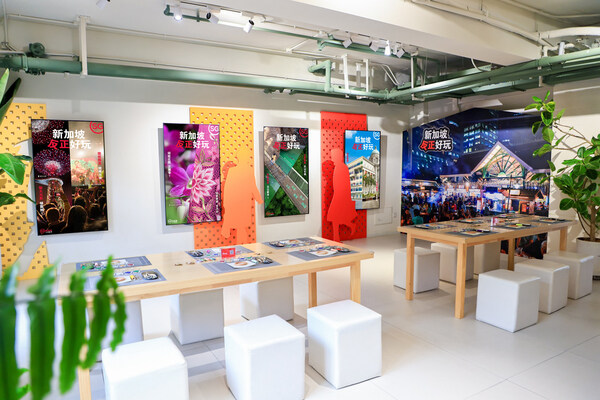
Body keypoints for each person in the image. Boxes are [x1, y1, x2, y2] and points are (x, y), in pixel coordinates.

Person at [327, 148, 357, 241]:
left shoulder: (341, 167)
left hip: (340, 197)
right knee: (336, 217)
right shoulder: (340, 167)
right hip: (338, 196)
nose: (332, 159)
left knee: (335, 217)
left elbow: (344, 184)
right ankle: (338, 236)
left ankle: (337, 237)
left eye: (333, 156)